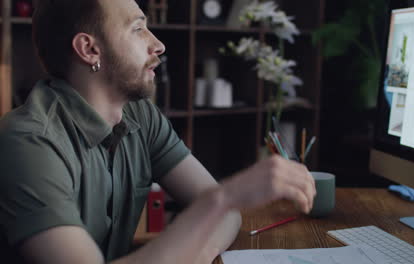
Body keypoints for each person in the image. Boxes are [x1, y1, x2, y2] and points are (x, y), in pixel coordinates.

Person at [0, 0, 316, 263]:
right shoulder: (29, 142)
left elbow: (227, 216)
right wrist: (223, 198)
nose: (158, 44)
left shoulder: (140, 115)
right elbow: (219, 206)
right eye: (138, 29)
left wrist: (199, 242)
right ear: (89, 49)